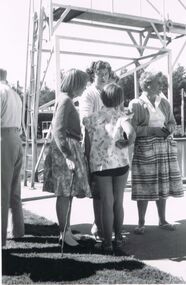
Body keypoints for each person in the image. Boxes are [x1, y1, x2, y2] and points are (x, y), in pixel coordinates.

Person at [128, 70, 184, 235]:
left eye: (161, 83)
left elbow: (172, 122)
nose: (161, 86)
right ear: (147, 84)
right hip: (145, 149)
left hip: (164, 149)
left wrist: (170, 128)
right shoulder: (136, 104)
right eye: (158, 83)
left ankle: (162, 220)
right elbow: (132, 130)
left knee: (163, 185)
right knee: (144, 186)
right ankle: (141, 223)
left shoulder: (164, 102)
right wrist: (153, 131)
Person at [83, 83, 136, 254]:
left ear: (102, 98)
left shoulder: (91, 119)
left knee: (106, 202)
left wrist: (87, 164)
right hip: (120, 164)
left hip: (99, 165)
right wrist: (127, 142)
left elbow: (87, 143)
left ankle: (106, 242)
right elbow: (132, 133)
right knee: (118, 202)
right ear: (120, 99)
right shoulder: (122, 116)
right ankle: (118, 237)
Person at [43, 69, 91, 247]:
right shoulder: (65, 101)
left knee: (68, 193)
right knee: (64, 193)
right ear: (76, 84)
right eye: (83, 85)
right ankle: (63, 232)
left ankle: (67, 230)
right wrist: (67, 154)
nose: (84, 88)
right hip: (66, 149)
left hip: (70, 147)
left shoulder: (66, 99)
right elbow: (58, 129)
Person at [79, 60, 112, 240]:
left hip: (109, 145)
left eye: (106, 72)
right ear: (93, 73)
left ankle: (108, 225)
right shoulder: (89, 93)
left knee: (111, 188)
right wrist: (108, 117)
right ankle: (98, 225)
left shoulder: (109, 91)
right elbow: (86, 120)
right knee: (98, 187)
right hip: (94, 144)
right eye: (100, 72)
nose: (103, 75)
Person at [1, 68, 24, 246]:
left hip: (4, 137)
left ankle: (1, 238)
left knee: (2, 190)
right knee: (14, 189)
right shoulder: (15, 94)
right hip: (16, 137)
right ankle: (18, 230)